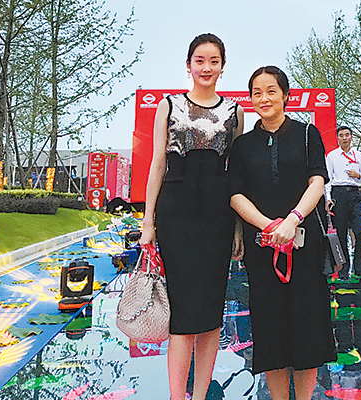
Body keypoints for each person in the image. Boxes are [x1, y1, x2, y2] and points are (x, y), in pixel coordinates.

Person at [139, 33, 244, 400]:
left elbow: (235, 172)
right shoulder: (169, 105)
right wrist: (148, 221)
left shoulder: (235, 112)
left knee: (212, 311)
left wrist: (238, 228)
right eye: (200, 60)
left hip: (217, 213)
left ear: (222, 67)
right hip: (177, 211)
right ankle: (176, 395)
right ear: (188, 65)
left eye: (214, 61)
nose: (206, 67)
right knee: (182, 312)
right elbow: (158, 164)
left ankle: (199, 395)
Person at [229, 65, 336, 400]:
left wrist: (292, 220)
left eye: (271, 91)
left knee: (307, 328)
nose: (264, 98)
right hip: (262, 248)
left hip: (305, 245)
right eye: (257, 92)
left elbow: (317, 181)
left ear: (286, 95)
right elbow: (235, 194)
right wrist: (268, 226)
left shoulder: (307, 134)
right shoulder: (243, 145)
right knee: (270, 329)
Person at [324, 126, 361, 280]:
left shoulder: (359, 156)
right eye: (341, 135)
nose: (344, 138)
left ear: (351, 137)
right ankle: (343, 268)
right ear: (338, 138)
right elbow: (328, 179)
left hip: (354, 194)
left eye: (347, 135)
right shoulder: (332, 156)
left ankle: (360, 267)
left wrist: (359, 175)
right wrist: (328, 198)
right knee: (341, 233)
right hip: (338, 195)